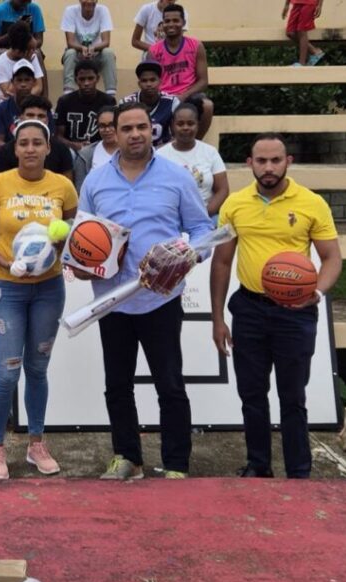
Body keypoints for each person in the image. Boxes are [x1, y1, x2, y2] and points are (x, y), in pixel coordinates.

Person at [75, 101, 213, 480]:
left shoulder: (176, 176)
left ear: (152, 130)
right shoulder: (95, 181)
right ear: (114, 134)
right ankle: (127, 458)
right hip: (113, 300)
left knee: (170, 385)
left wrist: (187, 256)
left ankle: (176, 464)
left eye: (141, 127)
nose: (135, 134)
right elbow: (83, 235)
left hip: (160, 299)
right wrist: (80, 263)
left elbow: (202, 230)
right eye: (127, 128)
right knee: (117, 385)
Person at [211, 133, 341, 479]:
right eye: (261, 161)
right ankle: (258, 466)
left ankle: (298, 472)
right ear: (249, 163)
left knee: (292, 397)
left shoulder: (312, 203)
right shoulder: (235, 204)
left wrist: (317, 292)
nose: (268, 167)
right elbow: (221, 262)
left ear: (288, 162)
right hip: (249, 309)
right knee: (252, 394)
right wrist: (217, 318)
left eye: (275, 160)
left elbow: (331, 258)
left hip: (295, 313)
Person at [0, 118, 77, 479]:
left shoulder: (63, 186)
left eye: (37, 143)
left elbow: (72, 234)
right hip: (7, 289)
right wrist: (6, 263)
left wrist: (57, 249)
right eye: (24, 143)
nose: (30, 148)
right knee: (6, 372)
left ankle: (36, 443)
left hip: (49, 289)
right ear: (14, 149)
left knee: (37, 369)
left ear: (48, 148)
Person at [148, 4, 213, 139]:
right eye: (167, 21)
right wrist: (166, 98)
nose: (171, 24)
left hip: (189, 95)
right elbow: (151, 80)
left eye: (175, 20)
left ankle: (196, 143)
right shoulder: (154, 51)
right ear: (162, 24)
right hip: (163, 97)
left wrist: (183, 96)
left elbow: (203, 81)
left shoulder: (196, 46)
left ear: (183, 23)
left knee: (207, 105)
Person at [157, 103, 229, 220]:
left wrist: (205, 214)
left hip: (207, 217)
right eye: (180, 124)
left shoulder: (210, 152)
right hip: (170, 219)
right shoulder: (160, 155)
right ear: (172, 126)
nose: (185, 127)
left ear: (197, 125)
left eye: (190, 123)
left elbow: (222, 189)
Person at [0, 96, 74, 179]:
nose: (35, 119)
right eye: (30, 115)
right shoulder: (4, 152)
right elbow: (0, 184)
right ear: (21, 118)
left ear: (47, 120)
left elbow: (67, 182)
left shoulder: (62, 150)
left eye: (41, 116)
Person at [55, 59, 116, 151]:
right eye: (82, 79)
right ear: (76, 80)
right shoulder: (64, 101)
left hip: (100, 149)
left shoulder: (108, 101)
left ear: (97, 79)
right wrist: (74, 145)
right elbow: (58, 136)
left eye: (90, 78)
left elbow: (114, 132)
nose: (86, 83)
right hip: (71, 150)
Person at [60, 0, 116, 96]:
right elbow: (70, 42)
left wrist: (93, 48)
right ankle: (68, 93)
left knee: (109, 52)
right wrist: (82, 49)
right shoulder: (70, 11)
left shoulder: (103, 10)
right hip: (77, 55)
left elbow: (106, 42)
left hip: (96, 55)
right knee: (70, 53)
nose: (89, 1)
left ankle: (111, 94)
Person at [119, 61, 179, 147]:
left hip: (164, 150)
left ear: (160, 82)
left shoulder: (172, 102)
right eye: (144, 81)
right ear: (139, 84)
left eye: (152, 80)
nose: (149, 84)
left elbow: (177, 135)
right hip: (135, 149)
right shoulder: (126, 103)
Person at [0, 22, 45, 103]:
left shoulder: (31, 56)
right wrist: (24, 63)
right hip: (8, 104)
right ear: (17, 50)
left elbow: (38, 87)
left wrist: (25, 100)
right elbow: (8, 92)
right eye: (26, 50)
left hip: (30, 102)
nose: (30, 52)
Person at [0, 59, 38, 150]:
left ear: (34, 81)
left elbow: (49, 139)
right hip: (11, 153)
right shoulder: (2, 109)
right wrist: (19, 151)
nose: (23, 84)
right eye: (19, 80)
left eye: (27, 80)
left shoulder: (42, 108)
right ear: (12, 82)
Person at [0, 0, 45, 67]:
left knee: (37, 54)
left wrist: (28, 45)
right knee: (3, 54)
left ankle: (40, 74)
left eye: (27, 1)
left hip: (27, 48)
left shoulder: (34, 9)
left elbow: (39, 40)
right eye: (22, 1)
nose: (25, 4)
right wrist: (12, 34)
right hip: (5, 49)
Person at [71, 104, 116, 189]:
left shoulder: (130, 151)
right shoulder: (85, 155)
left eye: (111, 125)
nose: (107, 130)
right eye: (102, 126)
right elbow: (80, 188)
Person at [284, 0, 325, 66]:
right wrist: (286, 4)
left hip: (309, 3)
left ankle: (301, 63)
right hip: (296, 3)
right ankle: (315, 51)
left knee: (302, 31)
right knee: (290, 32)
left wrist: (319, 5)